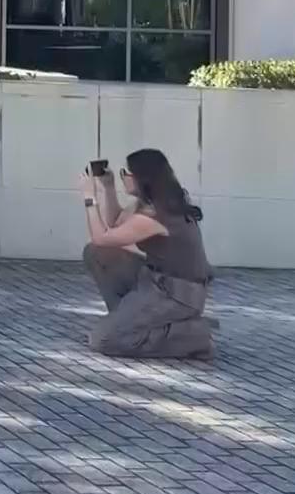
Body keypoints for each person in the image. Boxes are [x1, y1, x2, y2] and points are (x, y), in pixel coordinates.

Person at [82, 148, 215, 360]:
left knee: (103, 340)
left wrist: (90, 198)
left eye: (126, 172)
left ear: (141, 178)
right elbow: (115, 225)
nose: (123, 176)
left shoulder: (155, 216)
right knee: (98, 253)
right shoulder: (155, 203)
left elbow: (101, 236)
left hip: (178, 295)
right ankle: (126, 321)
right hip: (156, 281)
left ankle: (192, 336)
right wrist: (108, 187)